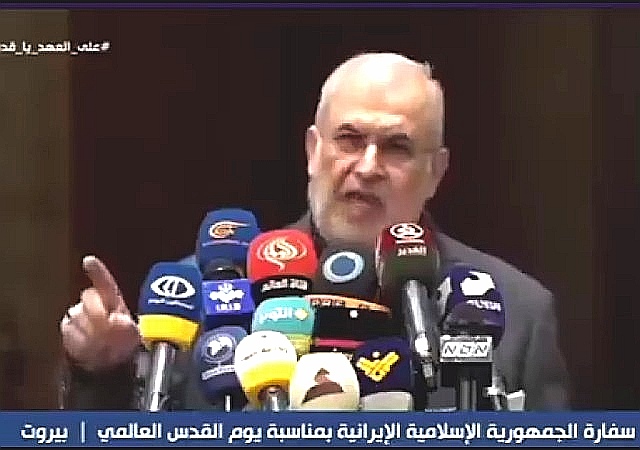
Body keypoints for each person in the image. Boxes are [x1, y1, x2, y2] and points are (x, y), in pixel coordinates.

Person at [58, 52, 571, 410]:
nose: (367, 166)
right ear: (312, 151)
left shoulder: (518, 313)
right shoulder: (199, 297)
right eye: (349, 139)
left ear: (436, 172)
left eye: (396, 147)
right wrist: (100, 373)